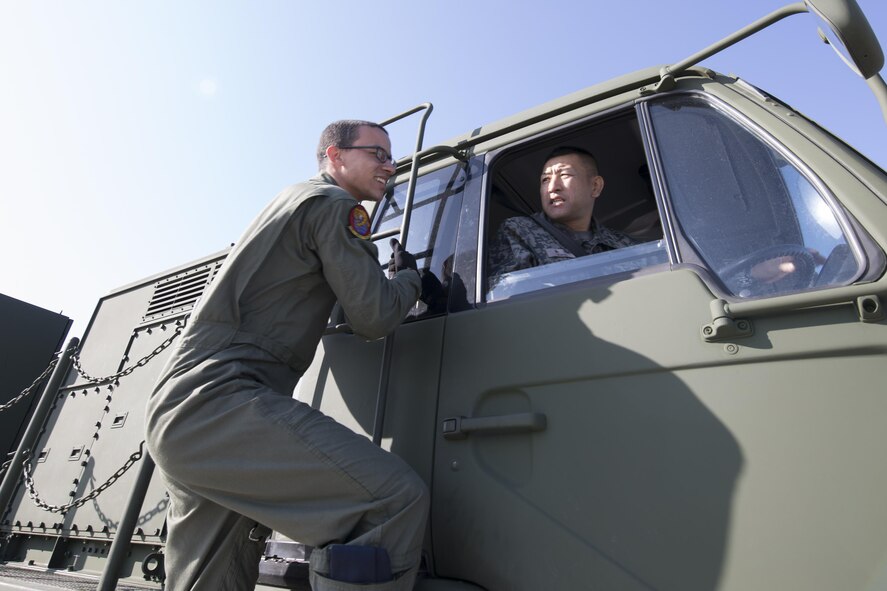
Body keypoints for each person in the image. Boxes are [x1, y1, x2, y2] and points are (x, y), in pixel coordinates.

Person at [145, 120, 429, 591]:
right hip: (224, 400)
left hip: (182, 412)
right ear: (335, 156)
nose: (390, 165)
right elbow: (374, 316)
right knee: (392, 501)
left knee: (209, 578)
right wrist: (409, 280)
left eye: (391, 156)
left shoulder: (291, 200)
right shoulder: (336, 205)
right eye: (376, 153)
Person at [488, 146, 639, 283]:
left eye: (565, 174)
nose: (552, 187)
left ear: (595, 186)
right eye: (545, 179)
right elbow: (508, 297)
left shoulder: (623, 244)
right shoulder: (520, 231)